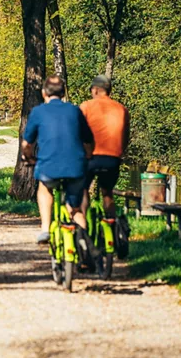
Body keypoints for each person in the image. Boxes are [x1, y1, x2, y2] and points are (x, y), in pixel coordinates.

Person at [20, 76, 94, 245]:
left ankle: (45, 228)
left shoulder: (38, 112)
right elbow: (88, 140)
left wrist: (28, 157)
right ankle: (85, 246)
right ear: (63, 93)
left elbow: (27, 144)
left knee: (44, 188)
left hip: (49, 166)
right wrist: (88, 155)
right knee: (74, 209)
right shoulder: (75, 111)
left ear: (44, 93)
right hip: (75, 166)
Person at [80, 75, 130, 218]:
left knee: (82, 189)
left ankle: (82, 227)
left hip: (91, 157)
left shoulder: (86, 106)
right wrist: (119, 153)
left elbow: (78, 133)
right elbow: (125, 137)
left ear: (95, 90)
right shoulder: (121, 109)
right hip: (112, 158)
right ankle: (112, 227)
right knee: (107, 194)